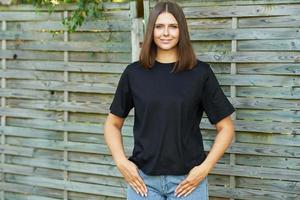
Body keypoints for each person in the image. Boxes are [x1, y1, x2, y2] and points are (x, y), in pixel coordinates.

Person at [104, 0, 236, 199]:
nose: (166, 33)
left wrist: (205, 168)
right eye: (159, 26)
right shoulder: (134, 73)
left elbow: (226, 128)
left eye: (173, 26)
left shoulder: (200, 73)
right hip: (143, 183)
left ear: (182, 30)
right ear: (151, 30)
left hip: (188, 183)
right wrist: (121, 162)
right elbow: (112, 124)